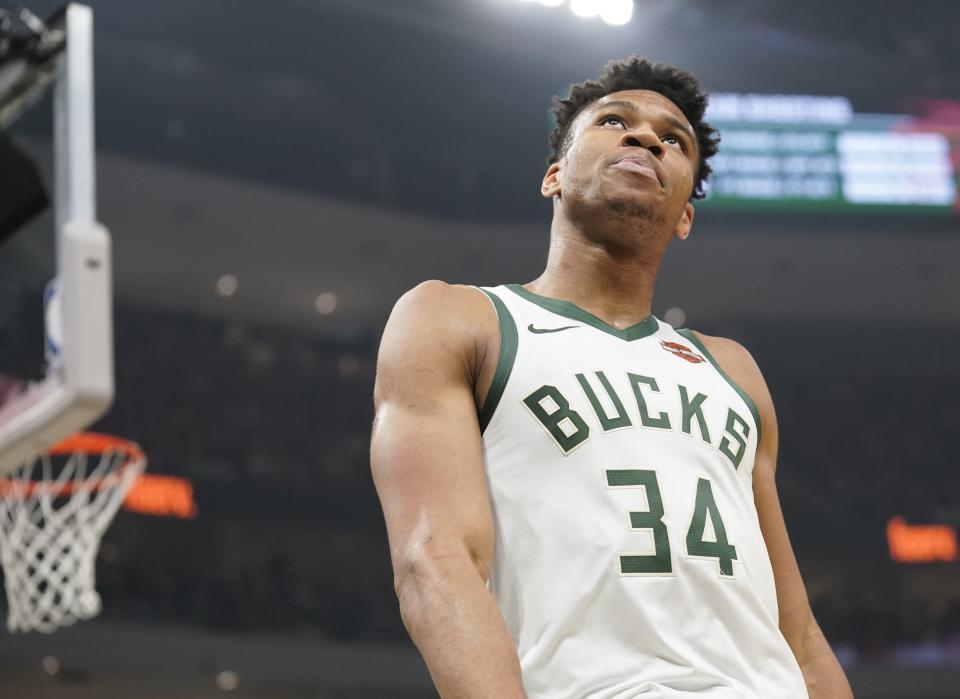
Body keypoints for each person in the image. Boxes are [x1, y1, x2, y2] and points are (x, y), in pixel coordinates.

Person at [370, 56, 852, 698]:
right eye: (615, 121)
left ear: (685, 216)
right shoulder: (460, 319)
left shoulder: (731, 367)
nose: (646, 137)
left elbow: (798, 634)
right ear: (554, 176)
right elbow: (434, 560)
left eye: (672, 139)